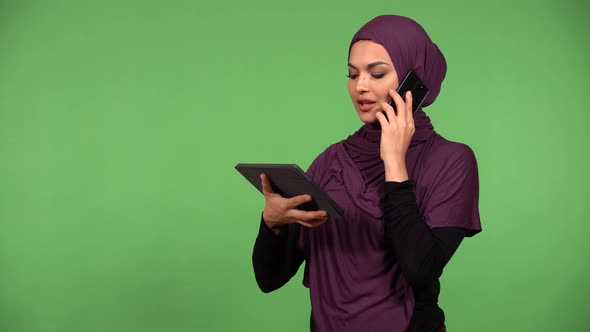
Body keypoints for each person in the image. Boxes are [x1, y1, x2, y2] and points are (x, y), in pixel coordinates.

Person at [251, 15, 481, 332]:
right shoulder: (330, 162)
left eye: (377, 74)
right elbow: (269, 279)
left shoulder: (451, 160)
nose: (361, 86)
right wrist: (271, 224)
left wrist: (395, 163)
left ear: (414, 79)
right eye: (352, 74)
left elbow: (421, 269)